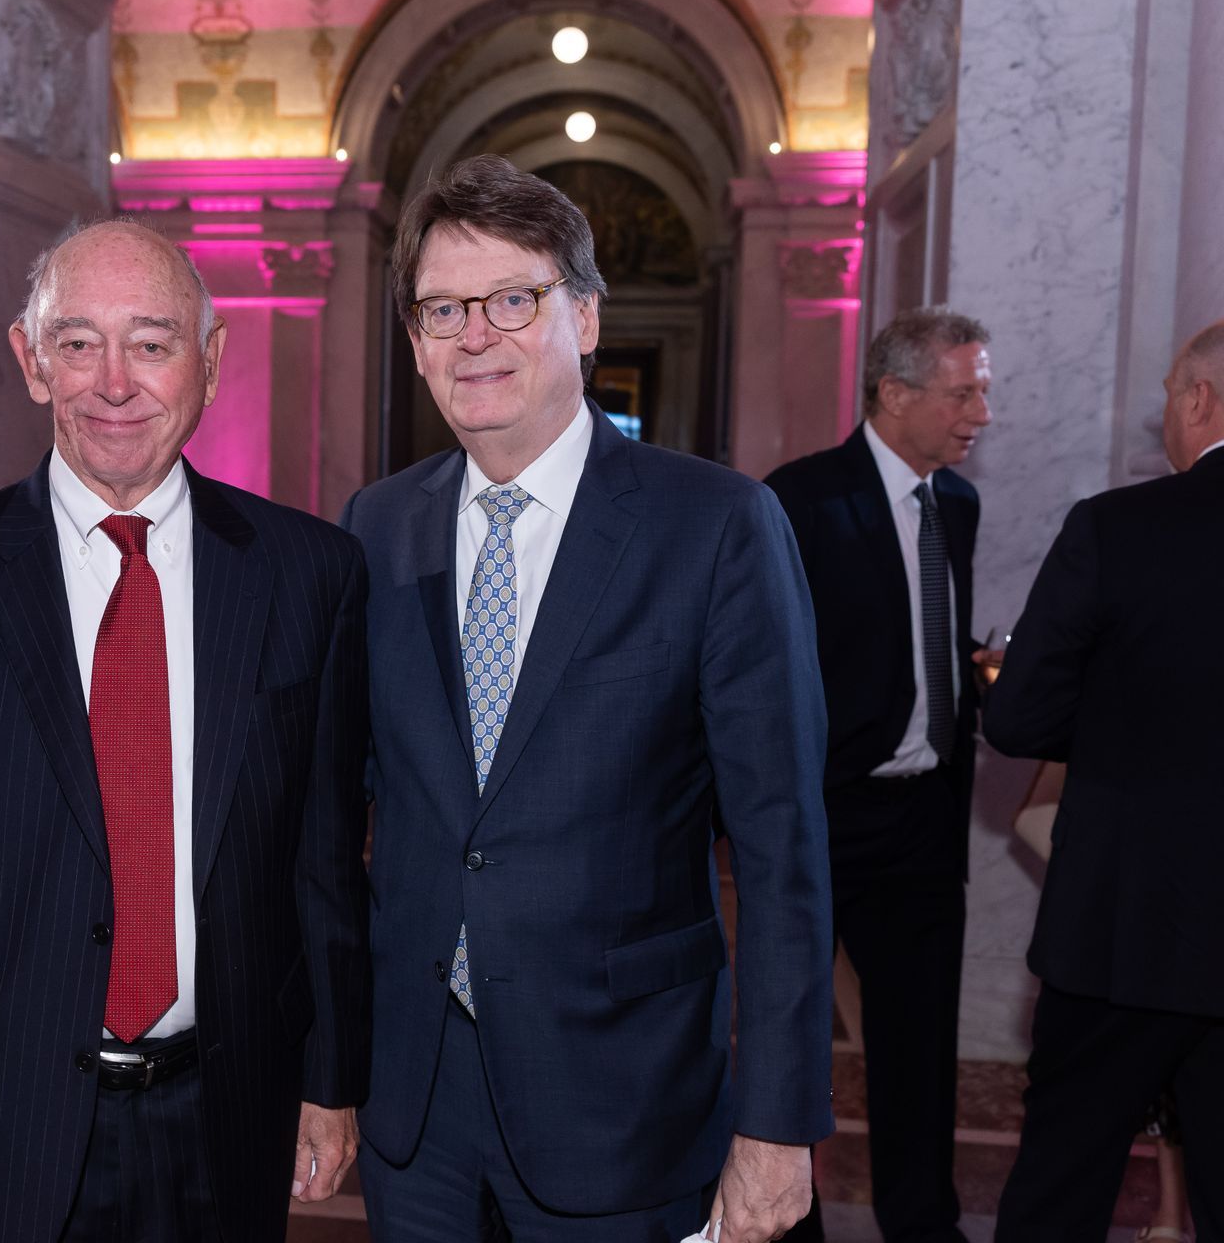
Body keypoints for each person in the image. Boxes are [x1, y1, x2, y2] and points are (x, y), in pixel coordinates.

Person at [0, 220, 371, 1243]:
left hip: (230, 1107)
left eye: (153, 342)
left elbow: (323, 862)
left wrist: (333, 1077)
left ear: (209, 363)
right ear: (30, 361)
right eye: (78, 342)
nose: (112, 381)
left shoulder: (310, 577)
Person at [340, 154, 833, 1242]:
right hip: (413, 1100)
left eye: (513, 299)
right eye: (441, 309)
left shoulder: (715, 528)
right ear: (416, 343)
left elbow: (782, 849)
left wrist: (779, 1124)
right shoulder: (376, 526)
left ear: (588, 317)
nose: (475, 334)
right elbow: (344, 815)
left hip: (625, 1096)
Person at [985, 321, 1224, 1242]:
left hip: (1126, 924)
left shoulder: (1117, 526)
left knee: (1063, 1183)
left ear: (1199, 399)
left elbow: (1018, 720)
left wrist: (1121, 720)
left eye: (1169, 392)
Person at [764, 307, 994, 1243]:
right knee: (794, 1043)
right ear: (894, 395)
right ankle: (791, 1222)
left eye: (984, 388)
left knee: (918, 1045)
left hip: (926, 816)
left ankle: (921, 1224)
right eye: (964, 390)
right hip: (823, 811)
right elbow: (765, 667)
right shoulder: (801, 500)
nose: (983, 410)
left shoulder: (960, 504)